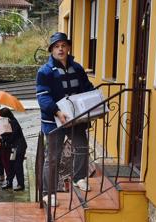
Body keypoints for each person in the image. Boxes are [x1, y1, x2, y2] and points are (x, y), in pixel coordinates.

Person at [36, 32, 94, 206]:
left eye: (63, 45)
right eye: (56, 46)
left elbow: (87, 88)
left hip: (75, 118)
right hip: (55, 121)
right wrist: (57, 112)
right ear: (52, 50)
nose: (60, 49)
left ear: (68, 48)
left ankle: (79, 178)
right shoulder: (45, 72)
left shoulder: (77, 68)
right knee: (53, 157)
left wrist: (96, 101)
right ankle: (48, 192)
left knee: (82, 147)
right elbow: (43, 97)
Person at [0, 108, 27, 191]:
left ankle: (20, 184)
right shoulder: (9, 121)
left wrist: (3, 136)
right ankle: (9, 182)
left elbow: (13, 136)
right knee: (11, 164)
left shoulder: (13, 122)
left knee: (17, 165)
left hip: (19, 147)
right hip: (14, 147)